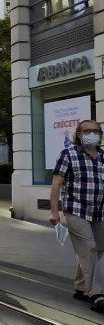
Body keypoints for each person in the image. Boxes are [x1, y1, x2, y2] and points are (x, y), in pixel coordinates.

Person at [50, 119, 104, 312]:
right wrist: (54, 211)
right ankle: (97, 294)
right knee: (88, 248)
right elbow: (57, 184)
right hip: (75, 209)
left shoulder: (103, 156)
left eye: (96, 131)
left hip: (99, 211)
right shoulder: (69, 154)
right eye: (87, 130)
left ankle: (81, 286)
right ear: (79, 134)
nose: (92, 134)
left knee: (100, 248)